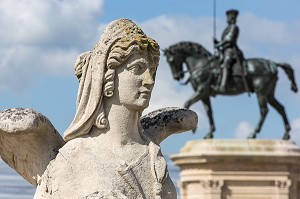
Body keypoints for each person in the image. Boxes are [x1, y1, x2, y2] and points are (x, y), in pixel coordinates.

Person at [33, 19, 197, 199]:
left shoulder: (152, 155)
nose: (149, 80)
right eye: (138, 68)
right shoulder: (74, 158)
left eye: (152, 70)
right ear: (107, 76)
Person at [214, 9, 245, 92]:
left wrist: (218, 44)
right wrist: (217, 42)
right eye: (227, 16)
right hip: (224, 50)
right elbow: (224, 40)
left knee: (226, 63)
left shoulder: (234, 27)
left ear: (232, 18)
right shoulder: (227, 28)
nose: (227, 18)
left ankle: (223, 85)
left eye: (229, 17)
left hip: (231, 50)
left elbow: (229, 39)